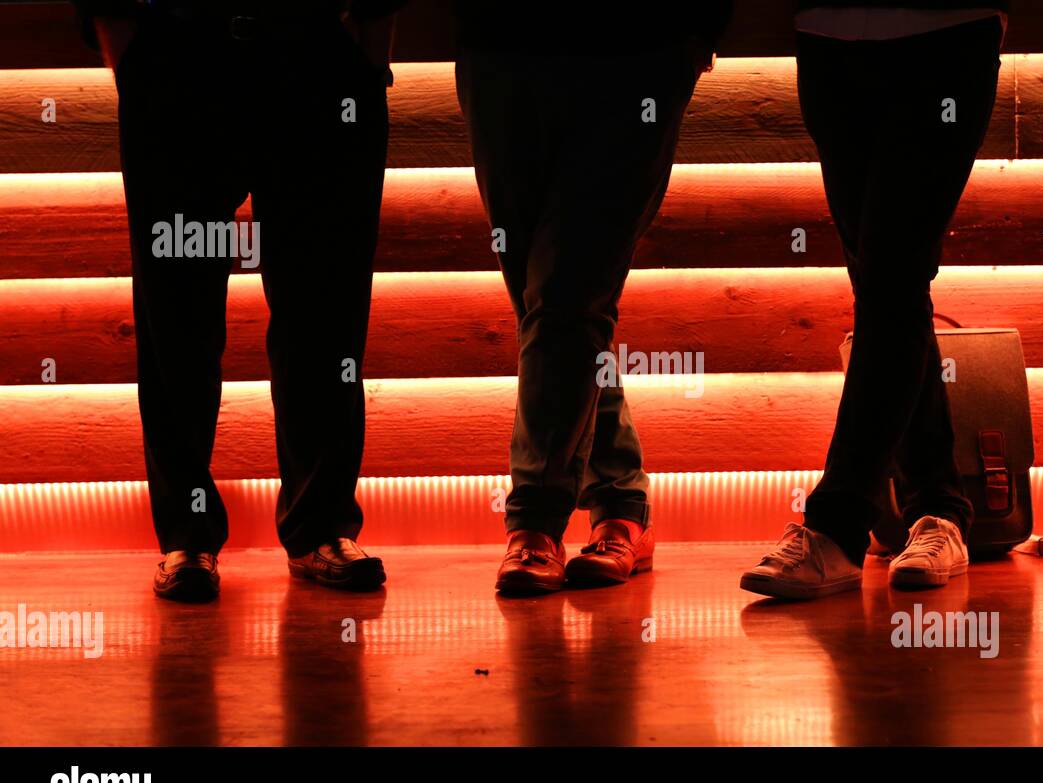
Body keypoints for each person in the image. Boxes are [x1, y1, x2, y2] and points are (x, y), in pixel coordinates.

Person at [76, 0, 403, 601]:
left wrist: (369, 35)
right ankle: (192, 534)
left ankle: (311, 525)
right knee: (179, 315)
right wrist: (126, 41)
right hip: (186, 54)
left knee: (322, 309)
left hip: (311, 53)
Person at [452, 1, 732, 595]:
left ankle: (535, 522)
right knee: (553, 303)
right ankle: (620, 505)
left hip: (631, 46)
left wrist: (701, 24)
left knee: (564, 298)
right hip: (504, 44)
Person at [741, 2, 1006, 599]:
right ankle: (939, 508)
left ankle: (838, 526)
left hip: (946, 31)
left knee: (891, 275)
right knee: (890, 285)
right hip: (829, 37)